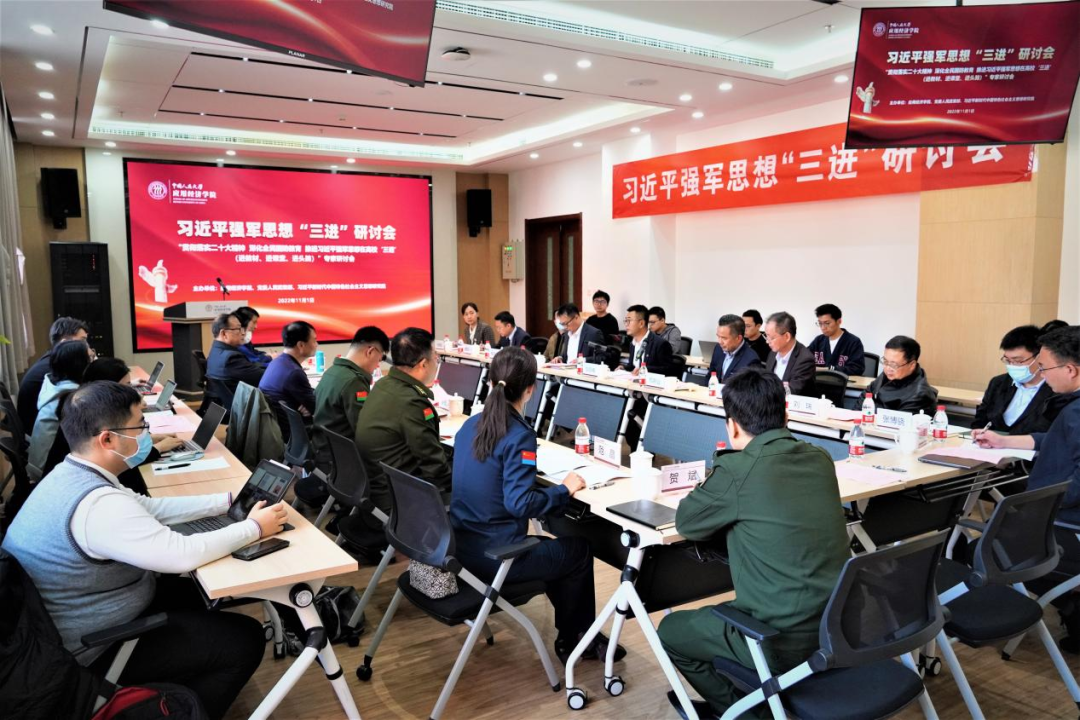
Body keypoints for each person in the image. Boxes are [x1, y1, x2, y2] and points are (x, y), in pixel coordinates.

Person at [2, 381, 284, 720]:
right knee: (243, 640)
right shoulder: (98, 506)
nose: (147, 433)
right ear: (107, 439)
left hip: (73, 625)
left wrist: (229, 502)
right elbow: (180, 554)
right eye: (140, 426)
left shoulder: (72, 473)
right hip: (90, 651)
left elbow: (151, 508)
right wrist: (254, 528)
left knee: (199, 596)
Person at [658, 368, 848, 717]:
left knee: (671, 631)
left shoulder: (737, 470)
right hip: (840, 627)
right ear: (785, 415)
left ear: (732, 426)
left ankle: (742, 713)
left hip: (780, 642)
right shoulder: (820, 458)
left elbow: (687, 522)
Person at [450, 347, 625, 664]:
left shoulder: (470, 425)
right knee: (577, 551)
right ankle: (576, 639)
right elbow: (520, 504)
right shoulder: (518, 435)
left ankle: (578, 634)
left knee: (553, 551)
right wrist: (563, 490)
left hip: (462, 548)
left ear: (490, 382)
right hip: (496, 559)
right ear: (531, 389)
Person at [974, 326, 1080, 653]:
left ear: (1071, 370)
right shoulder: (1073, 408)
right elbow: (1057, 440)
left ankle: (1066, 605)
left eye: (1044, 367)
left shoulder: (1076, 411)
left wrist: (1034, 510)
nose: (1042, 376)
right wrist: (1005, 441)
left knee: (975, 548)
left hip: (1066, 525)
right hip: (1063, 518)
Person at [355, 328, 452, 513]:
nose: (437, 360)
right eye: (435, 355)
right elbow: (434, 467)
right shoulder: (412, 402)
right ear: (423, 364)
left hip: (377, 485)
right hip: (399, 497)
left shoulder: (383, 383)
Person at [311, 326, 390, 471]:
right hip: (341, 461)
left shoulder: (333, 371)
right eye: (380, 359)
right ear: (370, 351)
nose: (378, 365)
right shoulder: (354, 381)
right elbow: (366, 431)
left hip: (323, 450)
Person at [972, 325, 1056, 436]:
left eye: (1018, 361)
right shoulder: (998, 383)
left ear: (1039, 357)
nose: (1012, 366)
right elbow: (979, 422)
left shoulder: (1057, 389)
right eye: (1008, 360)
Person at [27, 339, 92, 482]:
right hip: (49, 471)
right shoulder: (72, 398)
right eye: (90, 358)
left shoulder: (54, 385)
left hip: (39, 463)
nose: (93, 362)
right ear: (80, 365)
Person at [17, 316, 89, 431]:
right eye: (82, 340)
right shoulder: (54, 367)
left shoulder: (52, 360)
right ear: (65, 342)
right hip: (39, 430)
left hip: (37, 428)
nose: (86, 345)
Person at [259, 320, 318, 420]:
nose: (316, 344)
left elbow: (310, 403)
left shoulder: (277, 362)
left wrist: (309, 405)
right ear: (301, 345)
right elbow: (316, 408)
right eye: (314, 340)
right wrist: (310, 406)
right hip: (290, 426)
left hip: (275, 422)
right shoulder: (294, 373)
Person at [866, 335, 938, 415]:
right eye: (885, 361)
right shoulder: (890, 373)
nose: (888, 368)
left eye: (894, 364)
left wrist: (870, 410)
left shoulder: (920, 395)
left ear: (912, 365)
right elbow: (866, 396)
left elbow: (896, 420)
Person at [206, 312, 265, 394]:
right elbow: (263, 377)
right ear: (224, 333)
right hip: (238, 401)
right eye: (238, 329)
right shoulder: (232, 358)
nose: (243, 333)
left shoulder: (215, 351)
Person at [763, 311, 816, 397]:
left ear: (787, 336)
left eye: (771, 338)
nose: (767, 341)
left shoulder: (805, 359)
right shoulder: (772, 353)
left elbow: (792, 391)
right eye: (766, 336)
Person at [807, 303, 865, 376]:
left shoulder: (853, 342)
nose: (823, 327)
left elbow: (857, 368)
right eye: (820, 323)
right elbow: (803, 359)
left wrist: (829, 369)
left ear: (839, 321)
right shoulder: (818, 340)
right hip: (819, 382)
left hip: (842, 382)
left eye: (827, 323)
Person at [707, 314, 763, 382]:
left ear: (739, 338)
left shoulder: (751, 360)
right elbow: (710, 376)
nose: (720, 342)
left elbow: (749, 388)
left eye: (724, 338)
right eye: (718, 336)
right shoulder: (718, 348)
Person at [623, 304, 674, 376]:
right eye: (625, 321)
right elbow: (633, 366)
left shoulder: (660, 344)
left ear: (641, 323)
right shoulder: (633, 343)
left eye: (629, 320)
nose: (626, 324)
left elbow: (668, 370)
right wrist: (624, 368)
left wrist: (645, 369)